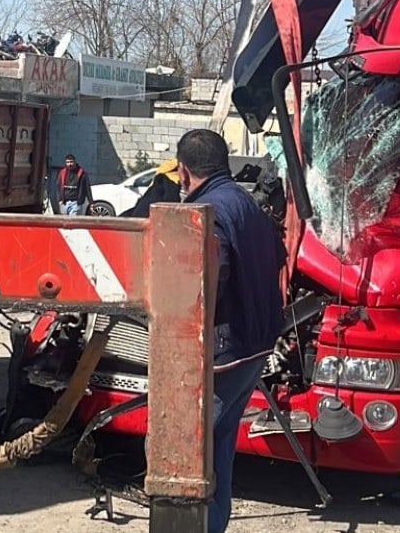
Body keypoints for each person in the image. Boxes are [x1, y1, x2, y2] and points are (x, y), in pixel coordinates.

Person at [175, 129, 285, 533]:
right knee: (219, 445)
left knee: (194, 451)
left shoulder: (207, 211)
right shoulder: (246, 202)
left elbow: (212, 272)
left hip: (226, 349)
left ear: (183, 171)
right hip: (254, 345)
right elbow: (277, 256)